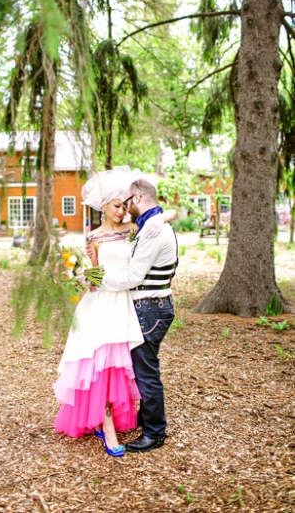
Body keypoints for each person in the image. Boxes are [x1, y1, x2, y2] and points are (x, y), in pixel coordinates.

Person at [53, 167, 174, 457]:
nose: (122, 211)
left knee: (124, 367)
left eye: (124, 205)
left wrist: (165, 216)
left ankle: (122, 421)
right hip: (102, 303)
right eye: (117, 206)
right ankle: (106, 426)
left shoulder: (134, 230)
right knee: (101, 366)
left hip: (127, 304)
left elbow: (162, 217)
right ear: (104, 206)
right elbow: (94, 278)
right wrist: (78, 275)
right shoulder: (93, 237)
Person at [93, 177, 178, 453]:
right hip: (150, 306)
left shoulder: (154, 230)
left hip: (150, 308)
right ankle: (146, 419)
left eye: (128, 202)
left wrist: (100, 283)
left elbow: (133, 275)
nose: (126, 208)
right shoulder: (152, 225)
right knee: (144, 367)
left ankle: (154, 433)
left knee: (145, 371)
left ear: (138, 199)